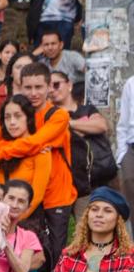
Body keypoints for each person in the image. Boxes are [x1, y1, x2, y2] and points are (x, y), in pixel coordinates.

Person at [0, 62, 75, 270]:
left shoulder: (58, 116)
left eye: (39, 87)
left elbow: (33, 143)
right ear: (20, 87)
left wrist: (1, 153)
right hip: (25, 194)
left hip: (55, 195)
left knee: (51, 253)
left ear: (48, 87)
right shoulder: (20, 112)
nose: (33, 93)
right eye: (28, 87)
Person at [49, 71, 116, 217]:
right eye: (48, 87)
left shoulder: (86, 109)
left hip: (96, 177)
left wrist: (68, 123)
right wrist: (83, 125)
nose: (52, 90)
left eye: (56, 84)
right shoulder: (50, 114)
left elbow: (100, 125)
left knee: (99, 224)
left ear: (69, 85)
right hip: (68, 182)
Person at [0, 96, 51, 219]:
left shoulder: (40, 150)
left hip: (25, 219)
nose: (12, 122)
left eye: (18, 116)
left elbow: (37, 196)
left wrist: (13, 220)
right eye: (7, 117)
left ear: (28, 118)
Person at [0, 52, 35, 136]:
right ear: (11, 73)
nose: (23, 71)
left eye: (28, 67)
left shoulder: (41, 95)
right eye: (18, 67)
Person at [36, 29, 85, 95]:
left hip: (77, 95)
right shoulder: (42, 64)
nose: (50, 48)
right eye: (46, 45)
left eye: (53, 44)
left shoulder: (72, 57)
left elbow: (90, 71)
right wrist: (34, 54)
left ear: (61, 45)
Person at [116, 74, 134, 219]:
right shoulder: (131, 83)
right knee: (132, 204)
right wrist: (122, 154)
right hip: (131, 149)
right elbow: (123, 122)